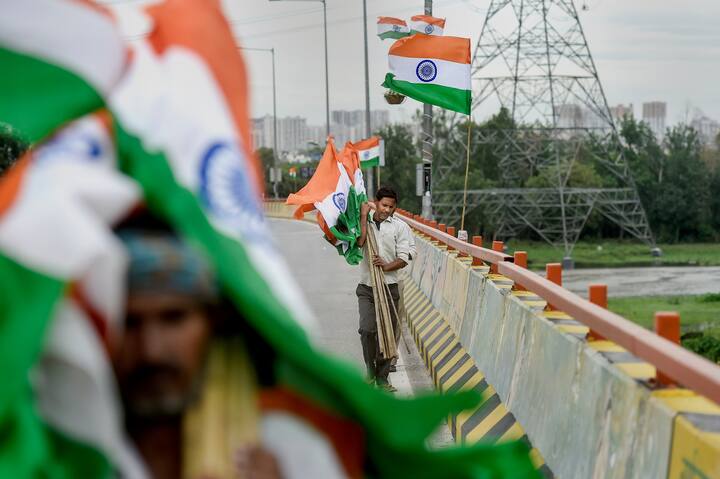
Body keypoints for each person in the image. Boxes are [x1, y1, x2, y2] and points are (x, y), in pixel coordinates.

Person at [113, 219, 282, 479]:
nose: (151, 350)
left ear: (213, 322)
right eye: (130, 323)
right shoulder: (58, 451)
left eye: (173, 318)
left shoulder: (284, 444)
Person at [356, 186, 414, 391]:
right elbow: (359, 242)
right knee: (367, 330)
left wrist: (385, 265)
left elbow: (404, 258)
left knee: (386, 333)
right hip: (366, 286)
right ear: (376, 203)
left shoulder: (400, 227)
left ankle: (382, 377)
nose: (387, 210)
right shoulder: (364, 221)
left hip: (389, 286)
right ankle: (370, 370)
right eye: (384, 205)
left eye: (391, 206)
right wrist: (364, 216)